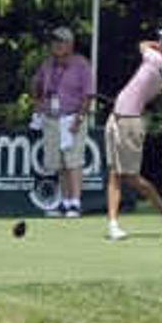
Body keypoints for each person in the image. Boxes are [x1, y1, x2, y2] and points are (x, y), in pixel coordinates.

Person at [105, 24, 162, 240]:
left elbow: (142, 45)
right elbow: (146, 46)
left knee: (130, 177)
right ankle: (113, 225)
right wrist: (161, 45)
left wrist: (156, 46)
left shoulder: (159, 61)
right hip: (116, 117)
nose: (161, 41)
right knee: (114, 173)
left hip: (130, 121)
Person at [23, 27, 95, 215]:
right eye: (54, 41)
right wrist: (38, 102)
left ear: (70, 45)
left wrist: (79, 119)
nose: (56, 45)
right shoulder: (47, 65)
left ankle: (76, 203)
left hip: (73, 117)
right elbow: (36, 84)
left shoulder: (82, 65)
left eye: (61, 41)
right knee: (60, 163)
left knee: (74, 161)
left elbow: (88, 95)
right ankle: (65, 201)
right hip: (52, 118)